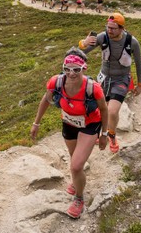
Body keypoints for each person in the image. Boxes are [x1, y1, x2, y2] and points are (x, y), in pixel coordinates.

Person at [30, 49, 108, 219]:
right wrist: (36, 123)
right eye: (67, 69)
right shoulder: (56, 82)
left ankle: (79, 198)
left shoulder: (92, 88)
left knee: (76, 165)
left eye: (76, 69)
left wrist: (104, 134)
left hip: (90, 124)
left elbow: (103, 109)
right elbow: (45, 100)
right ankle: (76, 180)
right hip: (69, 122)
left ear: (84, 68)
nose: (71, 73)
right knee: (74, 158)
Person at [79, 13, 141, 153]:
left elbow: (139, 64)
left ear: (122, 28)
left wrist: (140, 84)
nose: (109, 30)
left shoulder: (132, 42)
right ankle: (102, 133)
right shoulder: (102, 37)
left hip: (121, 79)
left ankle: (112, 136)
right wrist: (83, 43)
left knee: (112, 111)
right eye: (108, 27)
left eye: (113, 28)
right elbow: (82, 52)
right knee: (100, 109)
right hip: (104, 79)